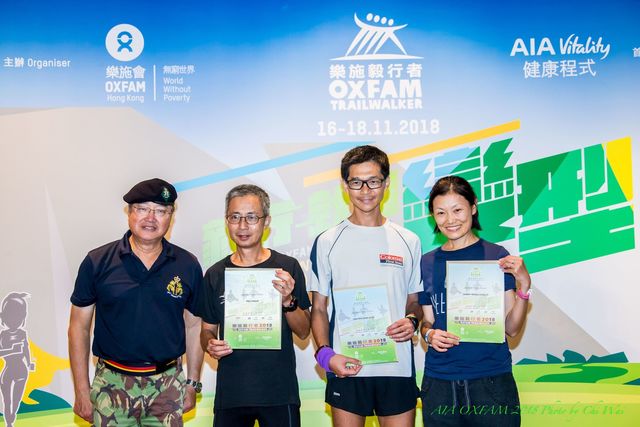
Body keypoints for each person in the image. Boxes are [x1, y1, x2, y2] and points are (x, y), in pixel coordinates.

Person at [68, 178, 204, 426]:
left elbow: (195, 326)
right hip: (111, 386)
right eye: (142, 209)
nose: (151, 218)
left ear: (171, 217)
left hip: (168, 387)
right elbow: (79, 327)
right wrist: (81, 390)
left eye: (160, 211)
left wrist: (192, 383)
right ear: (129, 213)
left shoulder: (187, 264)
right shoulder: (97, 261)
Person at [309, 145, 423, 427]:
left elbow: (414, 300)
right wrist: (325, 356)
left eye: (373, 181)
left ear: (386, 183)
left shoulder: (408, 240)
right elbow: (319, 307)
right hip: (346, 364)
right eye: (356, 182)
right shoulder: (327, 241)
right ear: (344, 185)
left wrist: (412, 320)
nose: (365, 190)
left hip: (396, 367)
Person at [419, 175, 531, 426]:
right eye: (441, 213)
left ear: (473, 207)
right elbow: (427, 321)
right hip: (439, 382)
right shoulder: (427, 262)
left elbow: (512, 328)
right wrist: (429, 335)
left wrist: (524, 286)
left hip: (490, 380)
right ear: (433, 216)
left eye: (457, 210)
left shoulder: (496, 256)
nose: (450, 220)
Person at [199, 184, 311, 427]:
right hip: (232, 394)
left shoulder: (287, 267)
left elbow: (304, 332)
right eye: (235, 217)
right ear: (226, 221)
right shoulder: (215, 274)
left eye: (251, 217)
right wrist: (209, 344)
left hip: (279, 393)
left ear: (266, 221)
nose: (242, 226)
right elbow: (207, 329)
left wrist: (287, 301)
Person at [0, 292, 35, 427]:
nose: (14, 319)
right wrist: (12, 350)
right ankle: (9, 420)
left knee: (16, 400)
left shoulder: (22, 333)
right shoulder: (3, 335)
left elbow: (26, 349)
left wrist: (29, 362)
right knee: (7, 400)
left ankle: (12, 416)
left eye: (18, 316)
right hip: (8, 370)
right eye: (10, 315)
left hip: (21, 370)